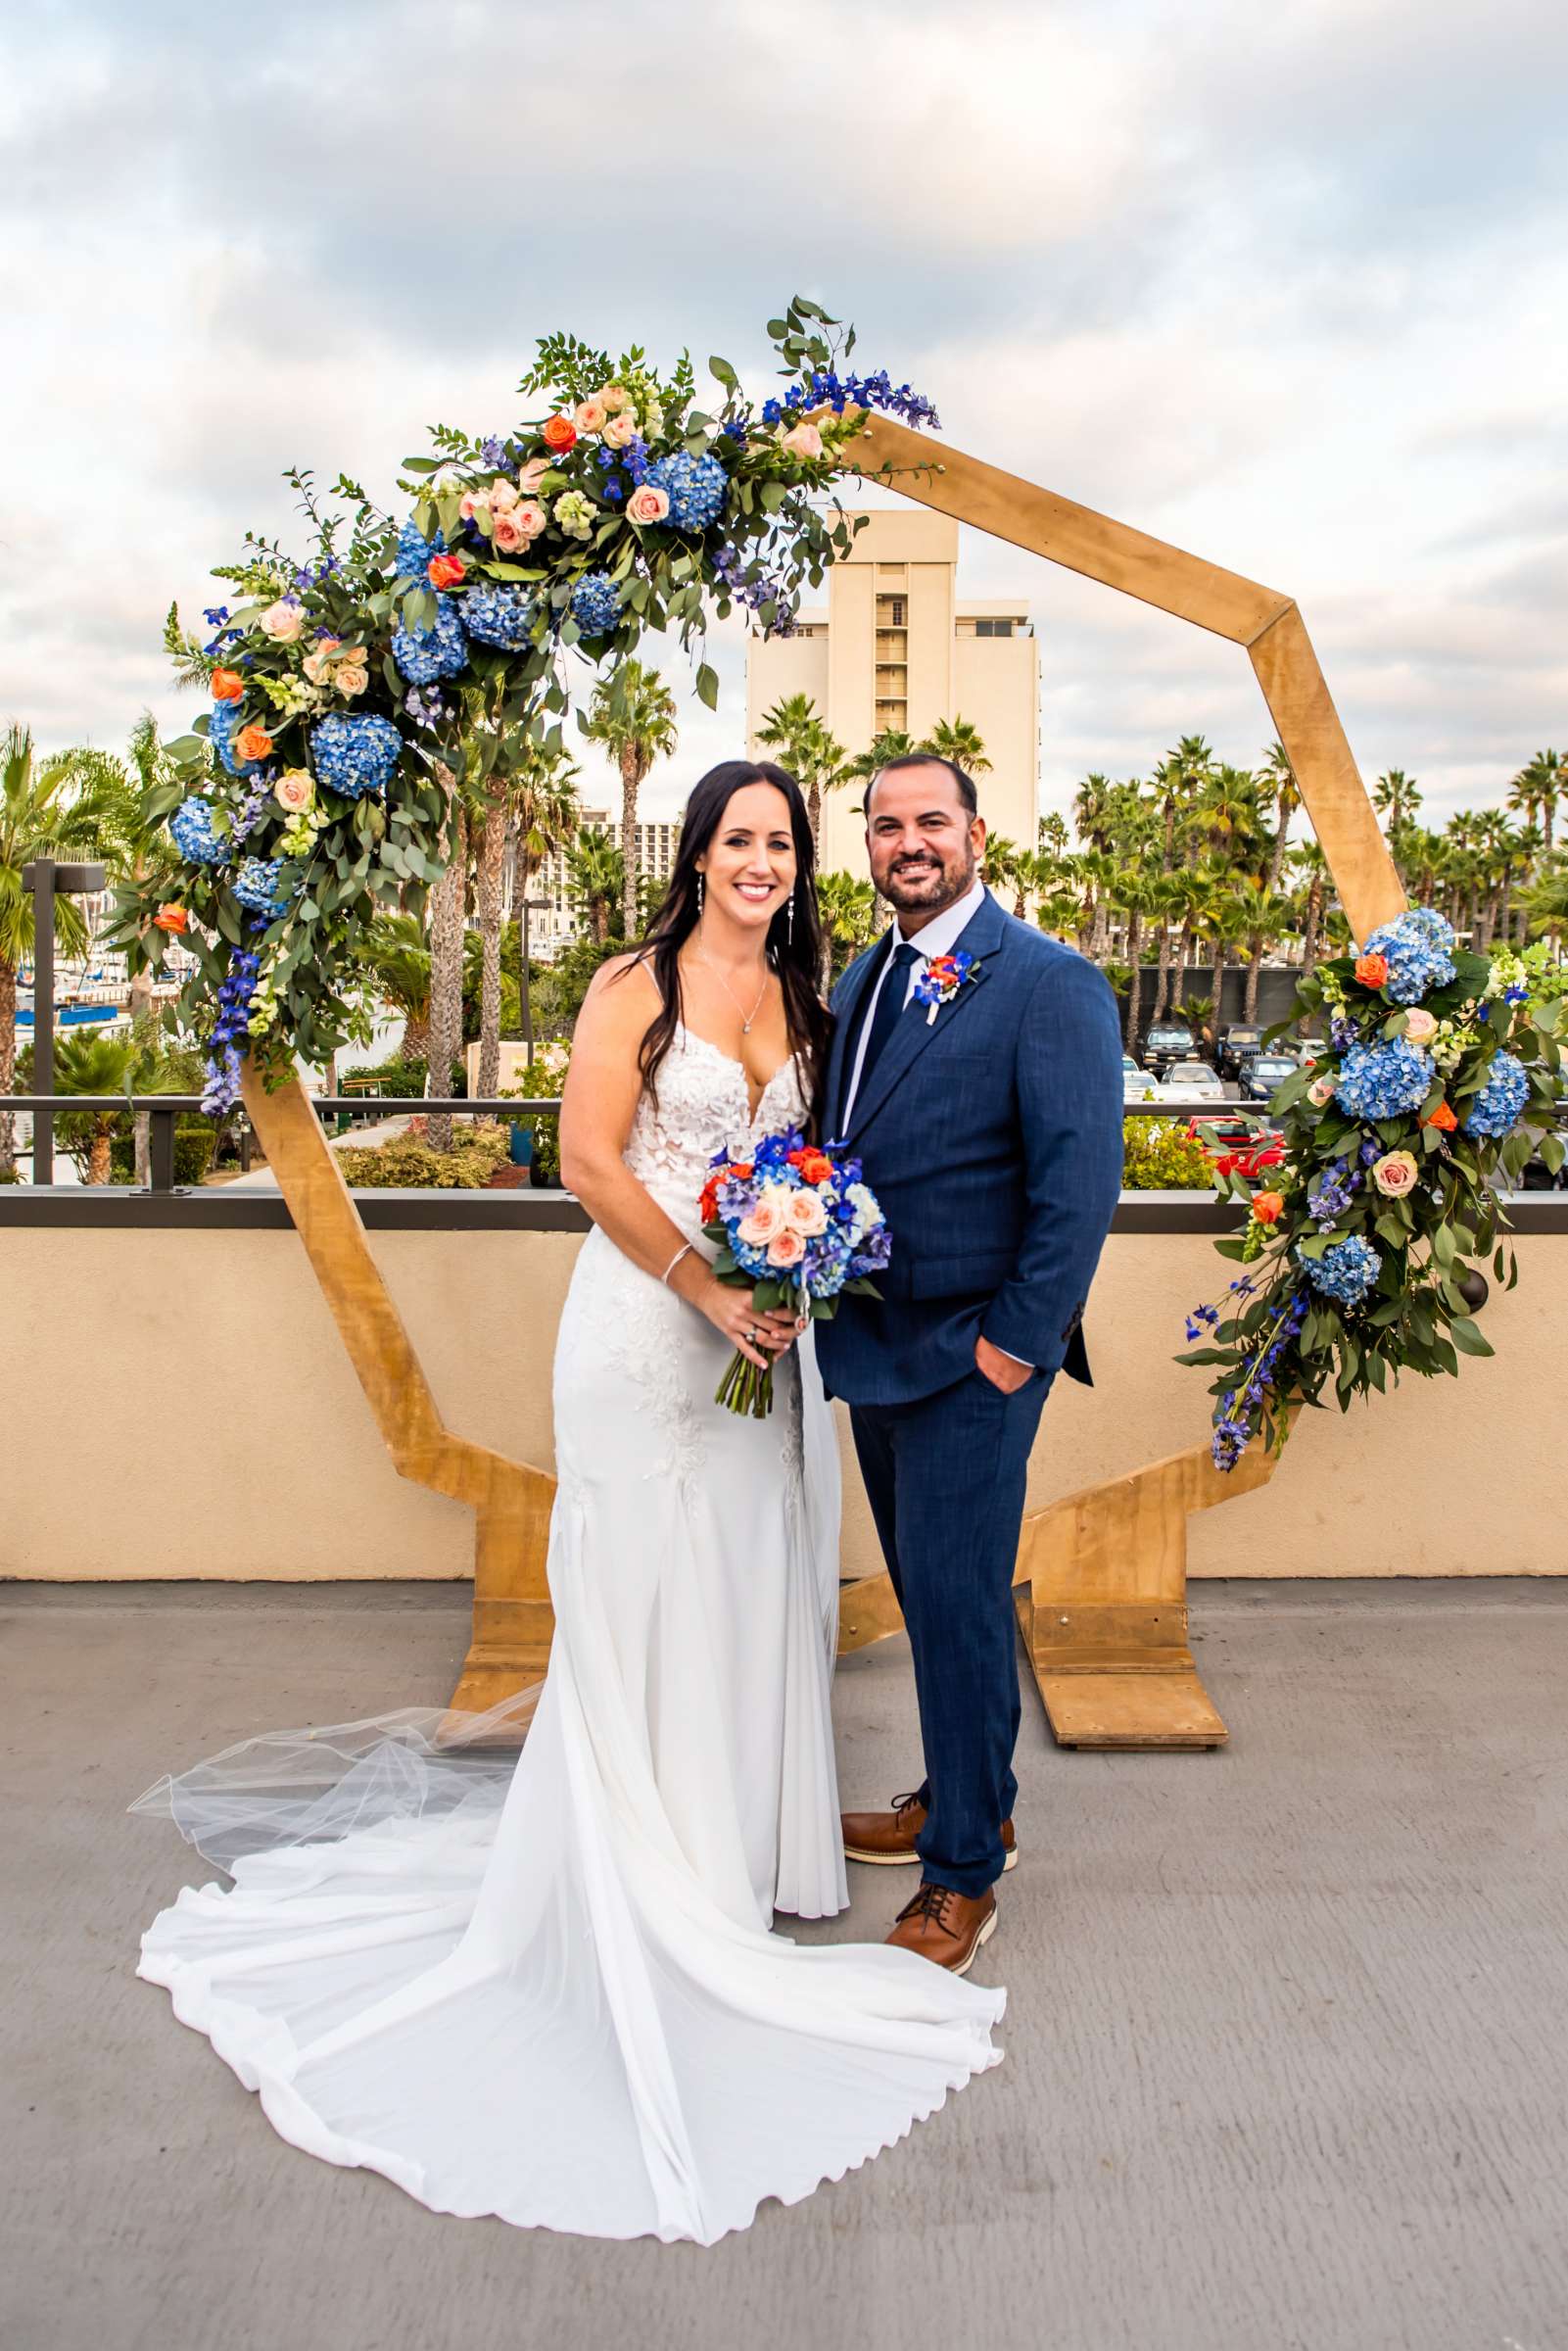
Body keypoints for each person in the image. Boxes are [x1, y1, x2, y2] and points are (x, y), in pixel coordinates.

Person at [133, 758, 1004, 2248]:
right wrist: (709, 1286)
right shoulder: (633, 984)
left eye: (783, 842)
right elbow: (588, 1161)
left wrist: (793, 1274)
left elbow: (821, 1165)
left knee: (751, 1579)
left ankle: (735, 1860)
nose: (763, 862)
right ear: (699, 852)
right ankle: (632, 1872)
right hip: (642, 1339)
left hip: (766, 1353)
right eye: (740, 839)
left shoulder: (815, 1003)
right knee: (642, 1584)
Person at [818, 752, 1123, 1977]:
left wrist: (1014, 1347)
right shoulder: (864, 970)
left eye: (929, 821)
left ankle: (960, 1881)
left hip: (972, 1356)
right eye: (885, 825)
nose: (907, 842)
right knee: (938, 1598)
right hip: (873, 1346)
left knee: (949, 1609)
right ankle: (963, 1800)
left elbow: (1077, 1189)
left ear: (976, 834)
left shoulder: (1048, 983)